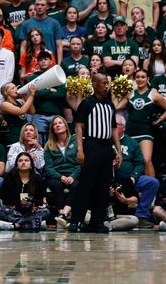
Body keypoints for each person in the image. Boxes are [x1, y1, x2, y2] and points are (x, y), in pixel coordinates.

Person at [66, 73, 122, 233]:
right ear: (95, 84)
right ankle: (75, 220)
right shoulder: (86, 103)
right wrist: (80, 149)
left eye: (107, 83)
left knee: (103, 187)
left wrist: (118, 150)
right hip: (91, 145)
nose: (106, 86)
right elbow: (78, 127)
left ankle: (97, 222)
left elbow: (113, 129)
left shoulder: (110, 105)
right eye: (103, 83)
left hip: (106, 148)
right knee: (86, 185)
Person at [115, 69, 166, 178]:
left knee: (146, 160)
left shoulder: (153, 94)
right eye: (138, 77)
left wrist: (158, 120)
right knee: (129, 160)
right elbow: (117, 107)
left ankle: (152, 190)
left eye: (143, 77)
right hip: (130, 131)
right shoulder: (130, 94)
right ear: (135, 79)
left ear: (148, 79)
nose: (140, 79)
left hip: (146, 131)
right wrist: (116, 92)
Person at [0, 151, 49, 230]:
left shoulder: (38, 179)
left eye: (26, 160)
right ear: (17, 164)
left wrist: (32, 203)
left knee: (45, 211)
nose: (23, 163)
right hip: (14, 209)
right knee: (2, 210)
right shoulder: (9, 178)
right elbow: (4, 197)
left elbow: (41, 198)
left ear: (31, 164)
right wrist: (18, 202)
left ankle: (15, 226)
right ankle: (35, 224)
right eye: (20, 161)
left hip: (31, 211)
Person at [43, 116, 79, 227]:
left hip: (73, 174)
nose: (58, 125)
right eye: (55, 124)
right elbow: (48, 167)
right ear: (52, 129)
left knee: (77, 185)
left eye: (60, 123)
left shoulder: (76, 141)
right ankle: (62, 215)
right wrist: (60, 176)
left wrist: (73, 175)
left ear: (65, 126)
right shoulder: (49, 145)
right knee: (55, 184)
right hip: (57, 175)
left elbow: (80, 163)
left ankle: (64, 213)